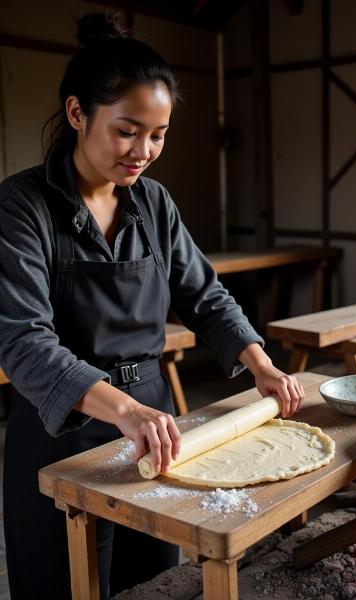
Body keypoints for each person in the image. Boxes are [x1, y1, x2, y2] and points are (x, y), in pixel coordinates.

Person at [0, 13, 304, 600]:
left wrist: (261, 364)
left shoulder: (153, 204)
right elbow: (25, 342)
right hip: (63, 435)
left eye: (158, 134)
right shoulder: (22, 208)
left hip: (158, 430)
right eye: (126, 131)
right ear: (77, 114)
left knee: (156, 584)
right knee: (64, 583)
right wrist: (124, 411)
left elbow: (204, 294)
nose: (143, 152)